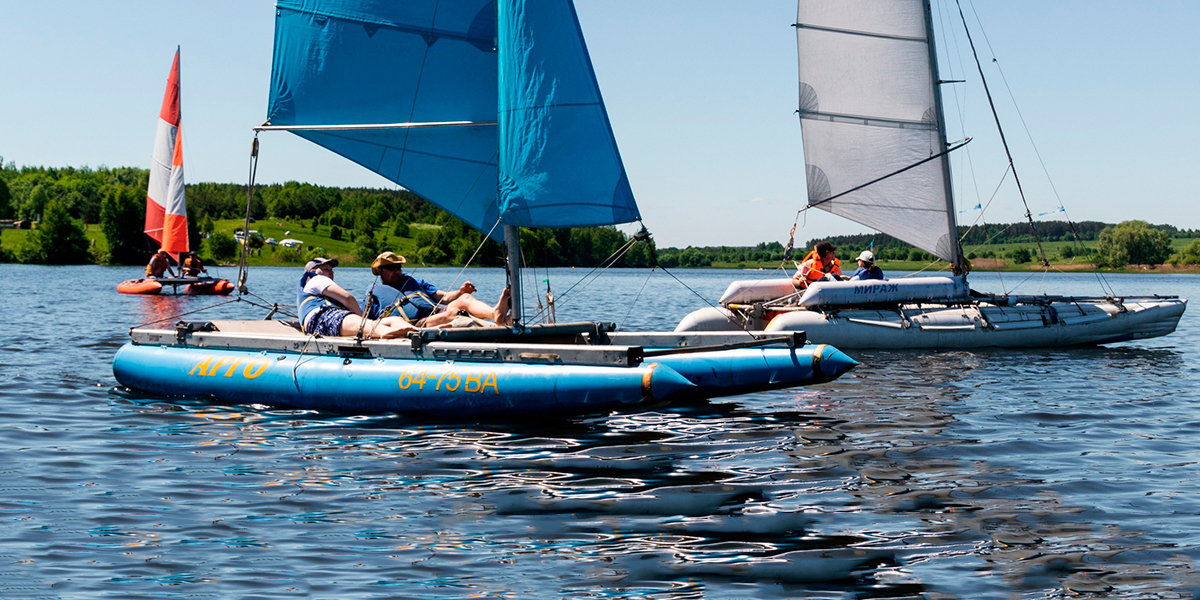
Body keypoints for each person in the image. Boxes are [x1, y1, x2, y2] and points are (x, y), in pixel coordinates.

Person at [362, 251, 512, 328]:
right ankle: (500, 324)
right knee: (454, 313)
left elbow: (443, 297)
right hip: (414, 323)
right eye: (390, 268)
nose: (396, 271)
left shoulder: (413, 282)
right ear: (380, 271)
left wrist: (461, 292)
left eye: (398, 267)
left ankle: (496, 315)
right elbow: (366, 323)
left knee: (465, 299)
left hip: (434, 313)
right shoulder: (374, 296)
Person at [297, 257, 420, 339]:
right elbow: (348, 298)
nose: (331, 272)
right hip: (322, 319)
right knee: (373, 326)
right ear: (312, 271)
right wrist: (362, 319)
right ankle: (386, 332)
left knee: (394, 320)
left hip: (330, 320)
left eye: (332, 270)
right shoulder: (315, 279)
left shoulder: (315, 290)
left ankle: (418, 331)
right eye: (326, 269)